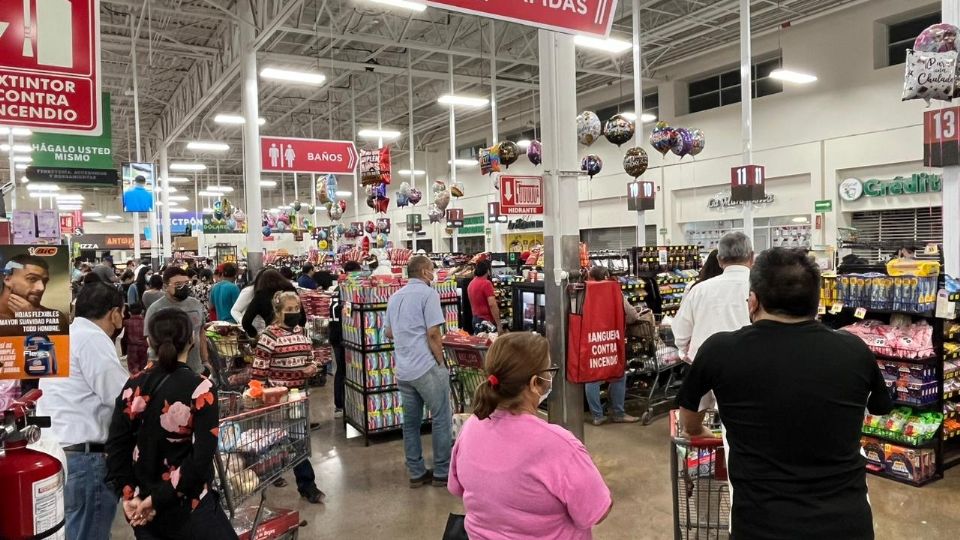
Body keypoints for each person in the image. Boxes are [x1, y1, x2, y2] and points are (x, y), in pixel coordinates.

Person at [678, 248, 893, 540]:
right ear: (816, 303)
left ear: (753, 300)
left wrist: (701, 429)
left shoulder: (719, 350)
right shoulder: (854, 350)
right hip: (846, 522)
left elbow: (689, 420)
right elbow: (880, 408)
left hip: (759, 524)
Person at [449, 333, 613, 539]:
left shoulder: (471, 427)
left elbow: (457, 487)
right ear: (535, 383)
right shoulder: (559, 445)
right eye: (549, 371)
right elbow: (597, 512)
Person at [105, 309, 237, 540]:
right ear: (192, 340)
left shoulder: (133, 385)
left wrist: (129, 495)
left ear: (149, 341)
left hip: (144, 512)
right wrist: (158, 498)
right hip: (190, 508)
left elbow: (116, 445)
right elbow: (200, 458)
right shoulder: (201, 388)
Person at [37, 283, 128, 540]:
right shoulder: (93, 339)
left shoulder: (65, 335)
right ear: (114, 313)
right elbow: (121, 397)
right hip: (86, 460)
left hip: (59, 452)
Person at [252, 291, 326, 503]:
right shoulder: (269, 336)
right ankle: (289, 480)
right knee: (283, 442)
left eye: (297, 309)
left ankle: (302, 483)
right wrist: (259, 394)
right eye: (289, 310)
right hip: (277, 399)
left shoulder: (301, 331)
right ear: (278, 312)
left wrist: (312, 367)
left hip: (298, 397)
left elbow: (311, 357)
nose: (294, 313)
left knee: (297, 442)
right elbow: (258, 371)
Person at [384, 255, 451, 488]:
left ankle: (416, 472)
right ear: (424, 272)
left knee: (410, 423)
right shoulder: (428, 294)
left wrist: (407, 332)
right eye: (432, 270)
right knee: (441, 417)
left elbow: (389, 333)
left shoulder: (394, 297)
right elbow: (433, 334)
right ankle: (442, 471)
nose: (433, 273)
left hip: (403, 370)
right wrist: (441, 363)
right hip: (426, 366)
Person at [582, 266, 640, 425]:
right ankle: (618, 413)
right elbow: (632, 315)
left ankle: (597, 416)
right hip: (611, 339)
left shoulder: (583, 292)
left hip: (590, 339)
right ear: (607, 277)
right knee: (618, 374)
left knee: (592, 377)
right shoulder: (616, 292)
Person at [144, 267, 209, 373]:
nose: (183, 287)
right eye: (178, 284)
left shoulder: (196, 305)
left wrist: (205, 361)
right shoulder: (156, 309)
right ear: (165, 287)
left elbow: (201, 333)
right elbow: (151, 343)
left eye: (187, 283)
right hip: (166, 371)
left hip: (195, 369)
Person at [0, 253, 71, 336]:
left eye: (44, 281)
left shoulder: (56, 318)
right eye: (32, 279)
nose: (41, 288)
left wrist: (35, 321)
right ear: (7, 279)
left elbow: (58, 347)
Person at [330, 261, 361, 418]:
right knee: (345, 370)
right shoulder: (349, 291)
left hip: (335, 334)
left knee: (341, 370)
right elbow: (349, 316)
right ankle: (341, 405)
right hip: (345, 335)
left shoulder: (337, 289)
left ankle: (340, 405)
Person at [242, 268, 303, 339]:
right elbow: (303, 317)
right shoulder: (291, 291)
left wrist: (256, 336)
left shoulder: (261, 295)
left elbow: (246, 322)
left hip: (272, 336)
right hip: (296, 337)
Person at [466, 260, 500, 332]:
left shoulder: (471, 283)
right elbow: (492, 304)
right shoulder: (486, 283)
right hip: (486, 321)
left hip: (475, 319)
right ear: (488, 271)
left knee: (479, 341)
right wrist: (499, 324)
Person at [123, 304, 149, 375]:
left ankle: (136, 382)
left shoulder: (126, 322)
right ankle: (142, 381)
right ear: (141, 311)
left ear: (129, 312)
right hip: (144, 346)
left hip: (132, 348)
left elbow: (124, 336)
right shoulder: (145, 322)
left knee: (133, 368)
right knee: (144, 367)